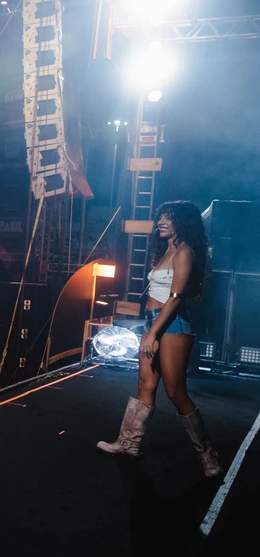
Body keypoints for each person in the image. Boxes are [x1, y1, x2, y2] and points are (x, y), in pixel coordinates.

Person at [97, 201, 223, 478]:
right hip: (153, 321)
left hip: (173, 325)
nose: (161, 222)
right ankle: (128, 444)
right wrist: (149, 327)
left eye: (169, 218)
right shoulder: (164, 253)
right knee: (145, 382)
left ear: (184, 222)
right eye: (160, 217)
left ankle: (207, 455)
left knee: (175, 392)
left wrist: (154, 333)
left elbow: (176, 298)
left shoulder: (184, 253)